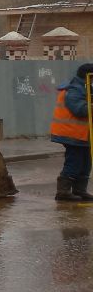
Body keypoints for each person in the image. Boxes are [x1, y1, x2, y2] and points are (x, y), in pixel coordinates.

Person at [48, 61, 93, 203]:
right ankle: (63, 192)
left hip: (83, 136)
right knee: (74, 162)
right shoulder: (75, 89)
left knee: (86, 163)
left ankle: (80, 190)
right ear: (88, 76)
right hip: (72, 134)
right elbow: (80, 110)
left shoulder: (86, 87)